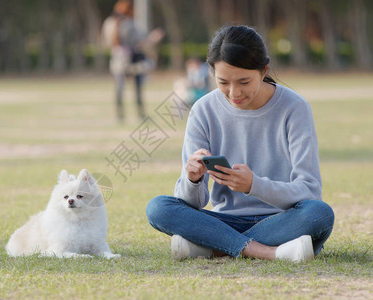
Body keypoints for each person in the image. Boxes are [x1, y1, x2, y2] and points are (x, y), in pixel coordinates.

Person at [146, 25, 335, 262]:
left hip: (282, 218)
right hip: (226, 219)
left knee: (319, 214)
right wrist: (192, 180)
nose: (234, 92)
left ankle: (213, 247)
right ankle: (268, 252)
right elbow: (191, 204)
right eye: (223, 82)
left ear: (263, 70)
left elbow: (310, 191)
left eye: (244, 81)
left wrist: (253, 185)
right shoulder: (203, 110)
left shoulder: (294, 108)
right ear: (212, 73)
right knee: (158, 208)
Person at [102, 0, 164, 123]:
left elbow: (106, 42)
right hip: (133, 60)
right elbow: (140, 43)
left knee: (119, 88)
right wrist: (153, 38)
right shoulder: (130, 24)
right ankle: (141, 114)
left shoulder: (109, 23)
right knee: (137, 88)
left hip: (118, 59)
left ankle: (120, 116)